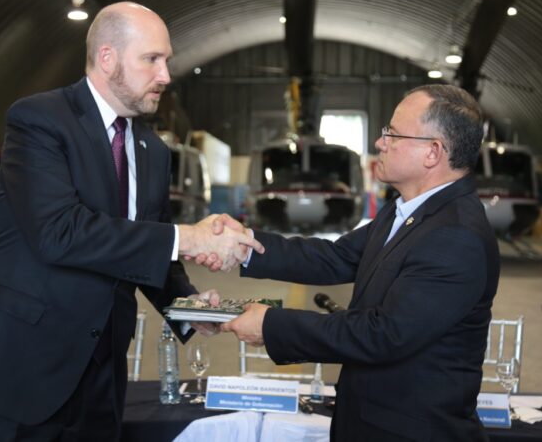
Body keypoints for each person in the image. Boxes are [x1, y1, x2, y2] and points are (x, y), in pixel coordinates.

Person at [0, 2, 262, 441]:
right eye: (152, 59)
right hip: (17, 372)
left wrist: (189, 309)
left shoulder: (153, 151)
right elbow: (59, 233)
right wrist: (189, 237)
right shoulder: (39, 120)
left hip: (100, 380)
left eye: (166, 60)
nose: (165, 75)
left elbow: (150, 253)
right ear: (108, 58)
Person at [212, 84, 499, 441]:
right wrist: (243, 245)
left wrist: (271, 325)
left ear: (432, 152)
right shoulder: (406, 210)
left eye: (393, 134)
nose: (380, 143)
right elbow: (335, 257)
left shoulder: (455, 235)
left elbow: (383, 335)